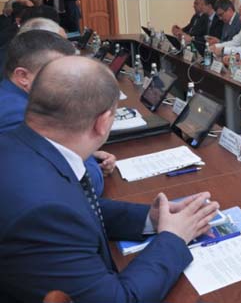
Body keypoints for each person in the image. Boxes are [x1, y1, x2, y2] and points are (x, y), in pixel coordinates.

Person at [0, 56, 220, 301]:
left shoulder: (17, 143)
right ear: (103, 123)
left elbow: (74, 207)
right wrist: (174, 238)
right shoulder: (42, 212)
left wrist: (150, 219)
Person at [0, 30, 115, 195]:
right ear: (23, 76)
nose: (68, 80)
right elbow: (84, 183)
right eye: (54, 72)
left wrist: (86, 152)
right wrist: (84, 153)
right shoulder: (16, 115)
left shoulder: (14, 97)